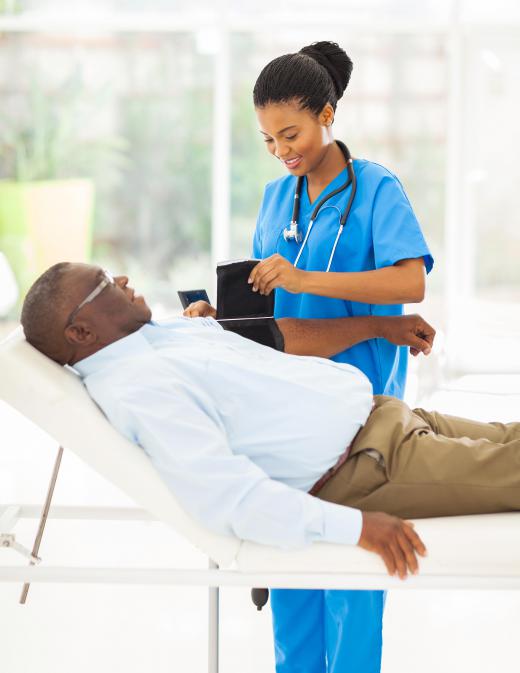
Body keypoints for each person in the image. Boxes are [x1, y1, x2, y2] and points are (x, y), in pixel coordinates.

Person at [21, 264, 520, 585]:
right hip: (374, 467)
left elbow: (275, 341)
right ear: (81, 331)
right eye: (105, 284)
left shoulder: (160, 337)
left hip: (386, 418)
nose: (124, 280)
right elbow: (227, 497)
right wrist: (357, 527)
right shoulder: (139, 389)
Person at [187, 40, 434, 673]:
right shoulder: (276, 199)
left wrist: (304, 280)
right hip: (288, 410)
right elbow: (267, 307)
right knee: (292, 565)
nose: (283, 151)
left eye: (291, 133)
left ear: (328, 114)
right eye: (269, 141)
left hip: (361, 409)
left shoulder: (376, 188)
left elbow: (410, 282)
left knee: (352, 573)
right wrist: (222, 319)